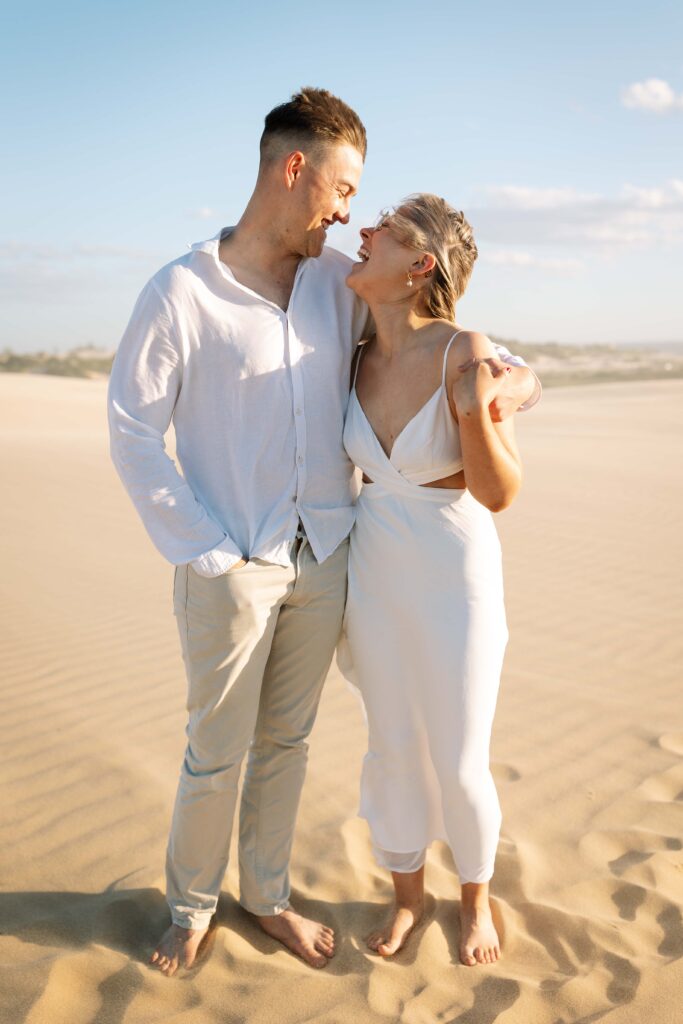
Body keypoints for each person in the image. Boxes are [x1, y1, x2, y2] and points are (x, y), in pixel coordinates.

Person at [107, 88, 538, 976]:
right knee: (212, 751)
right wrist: (208, 550)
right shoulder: (181, 292)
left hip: (333, 558)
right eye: (343, 190)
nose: (349, 214)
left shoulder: (334, 287)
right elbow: (133, 432)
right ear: (294, 169)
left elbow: (470, 350)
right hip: (230, 559)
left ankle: (264, 897)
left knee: (288, 745)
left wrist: (500, 393)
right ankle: (190, 907)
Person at [342, 194, 525, 966]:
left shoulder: (465, 351)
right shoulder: (349, 346)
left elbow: (499, 492)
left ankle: (474, 903)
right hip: (372, 572)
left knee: (457, 757)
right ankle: (409, 901)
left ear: (419, 266)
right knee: (391, 749)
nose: (363, 231)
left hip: (455, 575)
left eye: (381, 229)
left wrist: (474, 408)